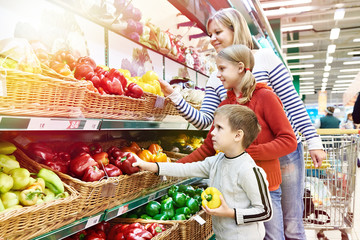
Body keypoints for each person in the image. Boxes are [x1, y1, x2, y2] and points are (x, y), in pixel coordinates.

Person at [159, 8, 326, 240]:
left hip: (284, 151)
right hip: (249, 161)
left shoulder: (266, 59)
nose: (212, 38)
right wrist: (176, 98)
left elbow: (292, 104)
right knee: (269, 225)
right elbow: (205, 121)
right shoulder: (217, 76)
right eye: (210, 33)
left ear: (235, 29)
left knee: (291, 223)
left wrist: (314, 140)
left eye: (218, 31)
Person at [177, 44, 298, 239]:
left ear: (240, 67)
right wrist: (173, 166)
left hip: (265, 188)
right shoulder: (225, 105)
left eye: (222, 68)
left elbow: (288, 140)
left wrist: (250, 152)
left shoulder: (265, 97)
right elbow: (208, 147)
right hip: (232, 189)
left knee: (273, 237)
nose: (218, 74)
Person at [133, 104, 273, 240]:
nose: (212, 132)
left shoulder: (249, 170)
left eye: (219, 128)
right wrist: (151, 166)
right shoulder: (217, 161)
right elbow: (186, 168)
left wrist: (229, 213)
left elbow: (265, 211)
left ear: (237, 135)